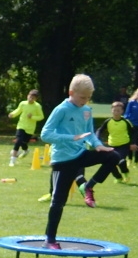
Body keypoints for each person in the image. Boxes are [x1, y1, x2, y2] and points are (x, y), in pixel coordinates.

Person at [38, 74, 121, 247]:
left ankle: (88, 186)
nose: (85, 100)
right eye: (82, 97)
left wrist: (98, 145)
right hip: (63, 161)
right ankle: (50, 239)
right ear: (71, 92)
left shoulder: (87, 110)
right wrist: (71, 138)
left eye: (88, 97)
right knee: (58, 201)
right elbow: (45, 135)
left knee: (113, 156)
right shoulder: (61, 109)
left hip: (81, 154)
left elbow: (90, 133)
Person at [7, 89, 44, 166]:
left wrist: (32, 117)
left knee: (24, 143)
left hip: (30, 128)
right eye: (30, 96)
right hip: (21, 125)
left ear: (35, 99)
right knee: (18, 141)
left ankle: (26, 150)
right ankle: (12, 160)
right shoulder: (23, 103)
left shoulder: (37, 106)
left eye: (33, 98)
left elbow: (41, 117)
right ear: (28, 95)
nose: (30, 99)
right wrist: (12, 114)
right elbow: (18, 110)